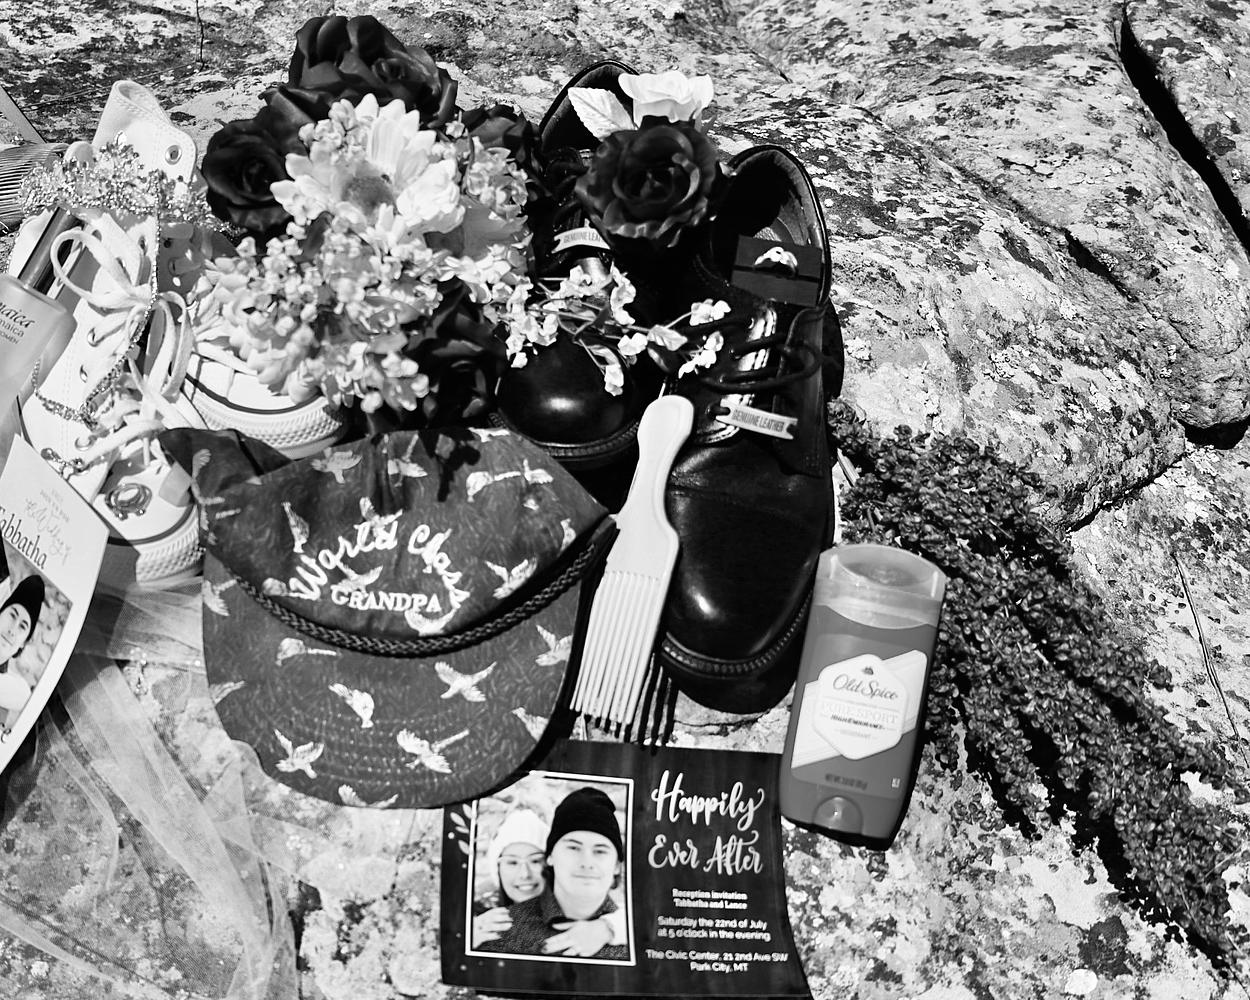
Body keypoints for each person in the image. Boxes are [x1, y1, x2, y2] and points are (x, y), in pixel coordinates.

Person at [479, 786, 628, 960]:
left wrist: (611, 928)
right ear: (550, 857)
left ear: (617, 865)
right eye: (573, 847)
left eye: (600, 851)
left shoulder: (636, 933)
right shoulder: (494, 932)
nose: (587, 863)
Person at [0, 575, 43, 728]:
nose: (12, 630)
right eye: (12, 615)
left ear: (23, 643)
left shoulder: (17, 691)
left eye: (23, 626)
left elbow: (23, 696)